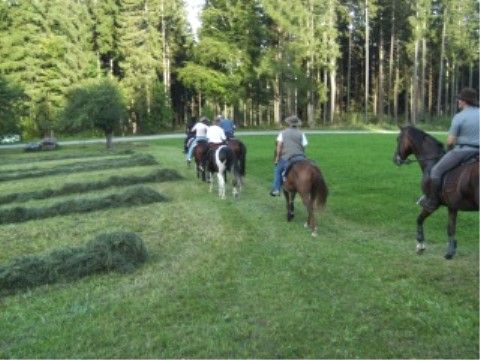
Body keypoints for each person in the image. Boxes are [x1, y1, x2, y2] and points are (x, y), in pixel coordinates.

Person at [419, 87, 479, 211]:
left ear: (464, 101)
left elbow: (450, 141)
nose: (458, 102)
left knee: (435, 171)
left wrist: (449, 149)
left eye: (459, 100)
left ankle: (432, 201)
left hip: (463, 151)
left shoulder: (459, 117)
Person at [270, 115, 308, 196]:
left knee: (278, 170)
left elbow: (279, 147)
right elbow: (304, 146)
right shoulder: (301, 133)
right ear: (297, 124)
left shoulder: (282, 133)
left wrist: (277, 159)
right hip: (300, 157)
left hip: (287, 157)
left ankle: (276, 189)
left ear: (288, 123)